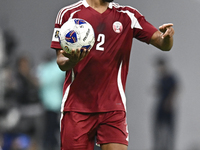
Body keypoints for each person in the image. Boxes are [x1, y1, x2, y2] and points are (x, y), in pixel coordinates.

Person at [50, 0, 174, 149]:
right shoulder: (68, 14)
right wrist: (72, 60)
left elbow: (163, 44)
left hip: (113, 107)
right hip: (77, 107)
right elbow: (61, 61)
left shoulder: (128, 15)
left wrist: (167, 38)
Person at [152, 57, 178, 150]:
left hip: (167, 110)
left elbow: (175, 89)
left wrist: (169, 101)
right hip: (160, 108)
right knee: (158, 130)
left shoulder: (170, 77)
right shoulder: (161, 78)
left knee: (168, 132)